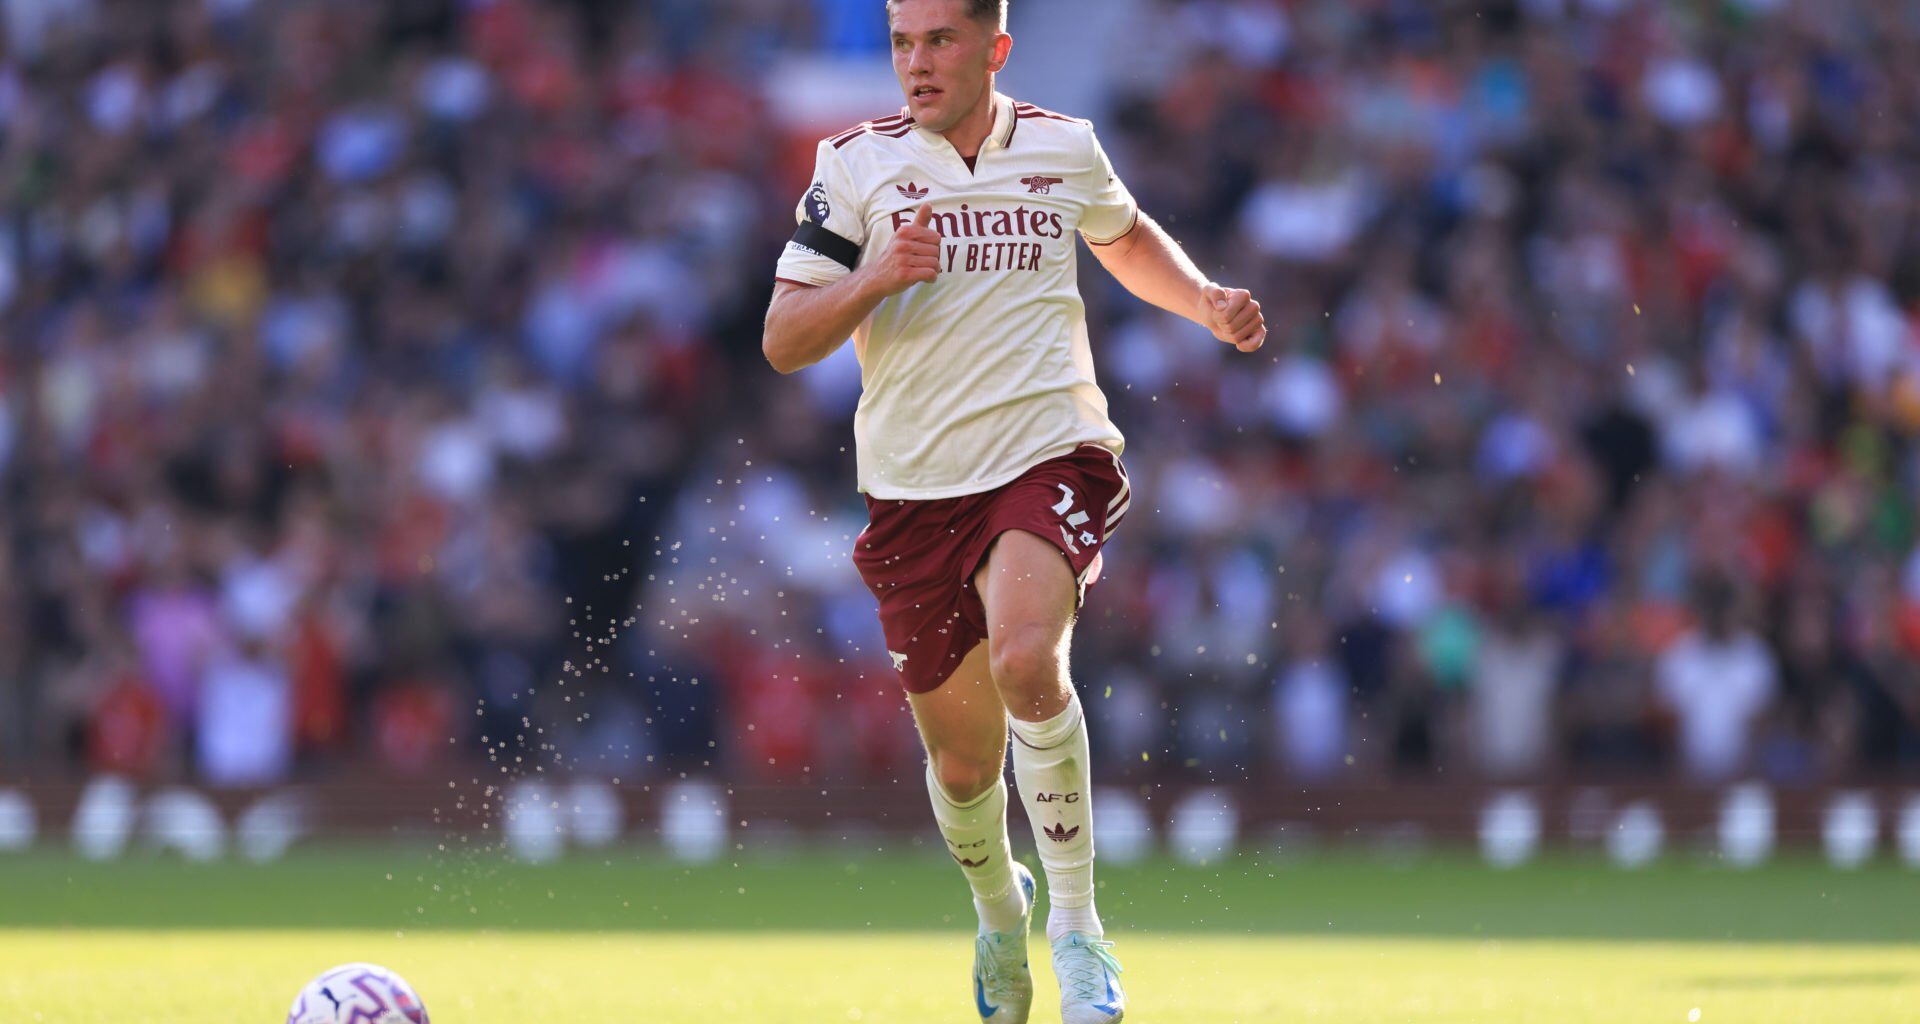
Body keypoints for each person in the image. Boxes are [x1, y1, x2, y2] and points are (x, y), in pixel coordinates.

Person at [762, 1, 1265, 1021]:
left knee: (1029, 658)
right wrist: (875, 277)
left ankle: (1078, 931)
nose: (916, 63)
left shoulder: (1064, 146)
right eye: (902, 43)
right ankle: (1001, 911)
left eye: (939, 41)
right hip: (914, 492)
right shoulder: (853, 165)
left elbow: (1123, 237)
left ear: (994, 49)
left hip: (1048, 455)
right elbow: (783, 338)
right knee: (962, 765)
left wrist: (1204, 300)